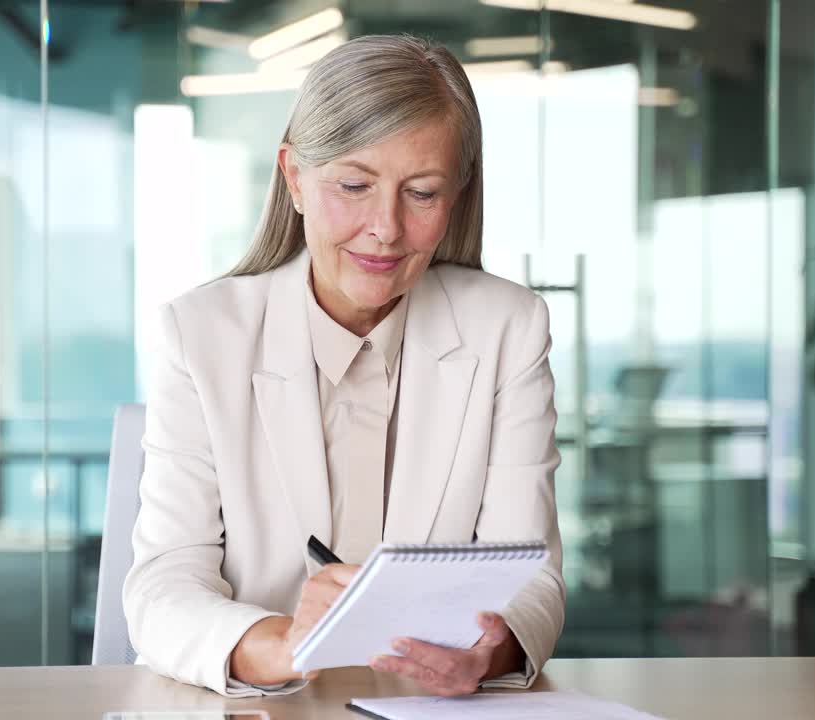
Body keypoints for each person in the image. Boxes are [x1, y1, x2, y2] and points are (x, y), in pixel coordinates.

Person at [123, 34, 564, 698]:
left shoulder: (507, 328)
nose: (384, 227)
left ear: (458, 193)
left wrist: (489, 650)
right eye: (354, 185)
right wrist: (279, 645)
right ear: (295, 176)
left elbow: (528, 574)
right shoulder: (199, 335)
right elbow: (163, 583)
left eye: (421, 192)